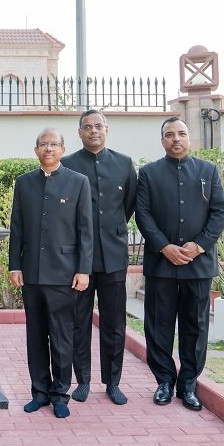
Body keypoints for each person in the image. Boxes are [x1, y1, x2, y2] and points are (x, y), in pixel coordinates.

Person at [135, 117, 224, 411]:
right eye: (170, 134)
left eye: (182, 134)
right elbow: (143, 214)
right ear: (162, 140)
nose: (176, 139)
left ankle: (188, 385)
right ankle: (164, 381)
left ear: (189, 139)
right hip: (161, 263)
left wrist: (198, 245)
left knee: (196, 327)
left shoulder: (208, 171)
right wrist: (164, 246)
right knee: (158, 325)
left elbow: (219, 212)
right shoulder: (148, 173)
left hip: (197, 264)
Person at [9, 127, 93, 419]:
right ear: (36, 150)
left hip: (64, 274)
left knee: (61, 337)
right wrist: (14, 265)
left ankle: (60, 394)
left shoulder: (78, 182)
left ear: (62, 149)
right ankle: (40, 392)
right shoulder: (24, 183)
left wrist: (84, 270)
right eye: (43, 144)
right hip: (31, 273)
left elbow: (86, 231)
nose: (48, 148)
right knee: (35, 336)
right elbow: (17, 227)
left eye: (54, 144)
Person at [62, 110, 137, 405]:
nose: (94, 131)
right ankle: (82, 381)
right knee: (79, 321)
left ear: (107, 129)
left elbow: (128, 206)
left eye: (99, 126)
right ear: (79, 132)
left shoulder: (124, 164)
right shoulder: (68, 165)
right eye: (87, 127)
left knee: (114, 323)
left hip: (114, 257)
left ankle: (113, 382)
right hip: (79, 261)